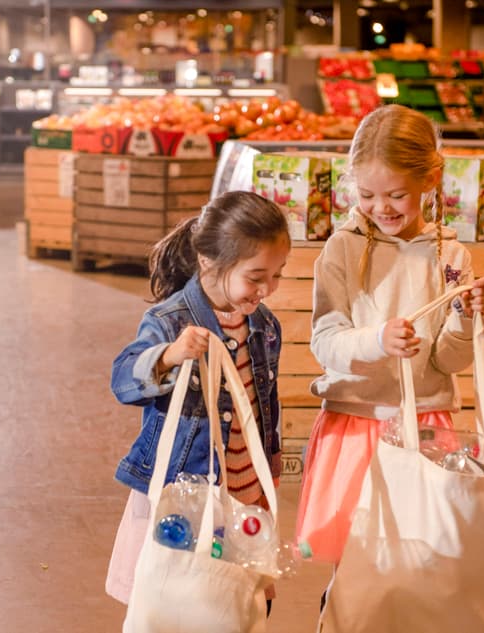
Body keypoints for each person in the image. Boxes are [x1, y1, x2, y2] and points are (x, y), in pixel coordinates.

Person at [295, 104, 484, 566]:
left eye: (396, 195)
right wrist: (376, 340)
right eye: (367, 194)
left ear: (430, 179)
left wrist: (467, 317)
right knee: (355, 562)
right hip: (355, 422)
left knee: (419, 561)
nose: (380, 208)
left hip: (427, 426)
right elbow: (326, 342)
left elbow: (447, 361)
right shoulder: (341, 249)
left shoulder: (452, 255)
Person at [106, 190, 291, 612]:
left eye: (278, 275)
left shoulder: (264, 325)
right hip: (185, 491)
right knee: (181, 600)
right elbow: (122, 379)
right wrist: (171, 355)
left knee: (239, 603)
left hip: (245, 488)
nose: (267, 289)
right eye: (256, 275)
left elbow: (264, 408)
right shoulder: (170, 321)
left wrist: (269, 474)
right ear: (209, 261)